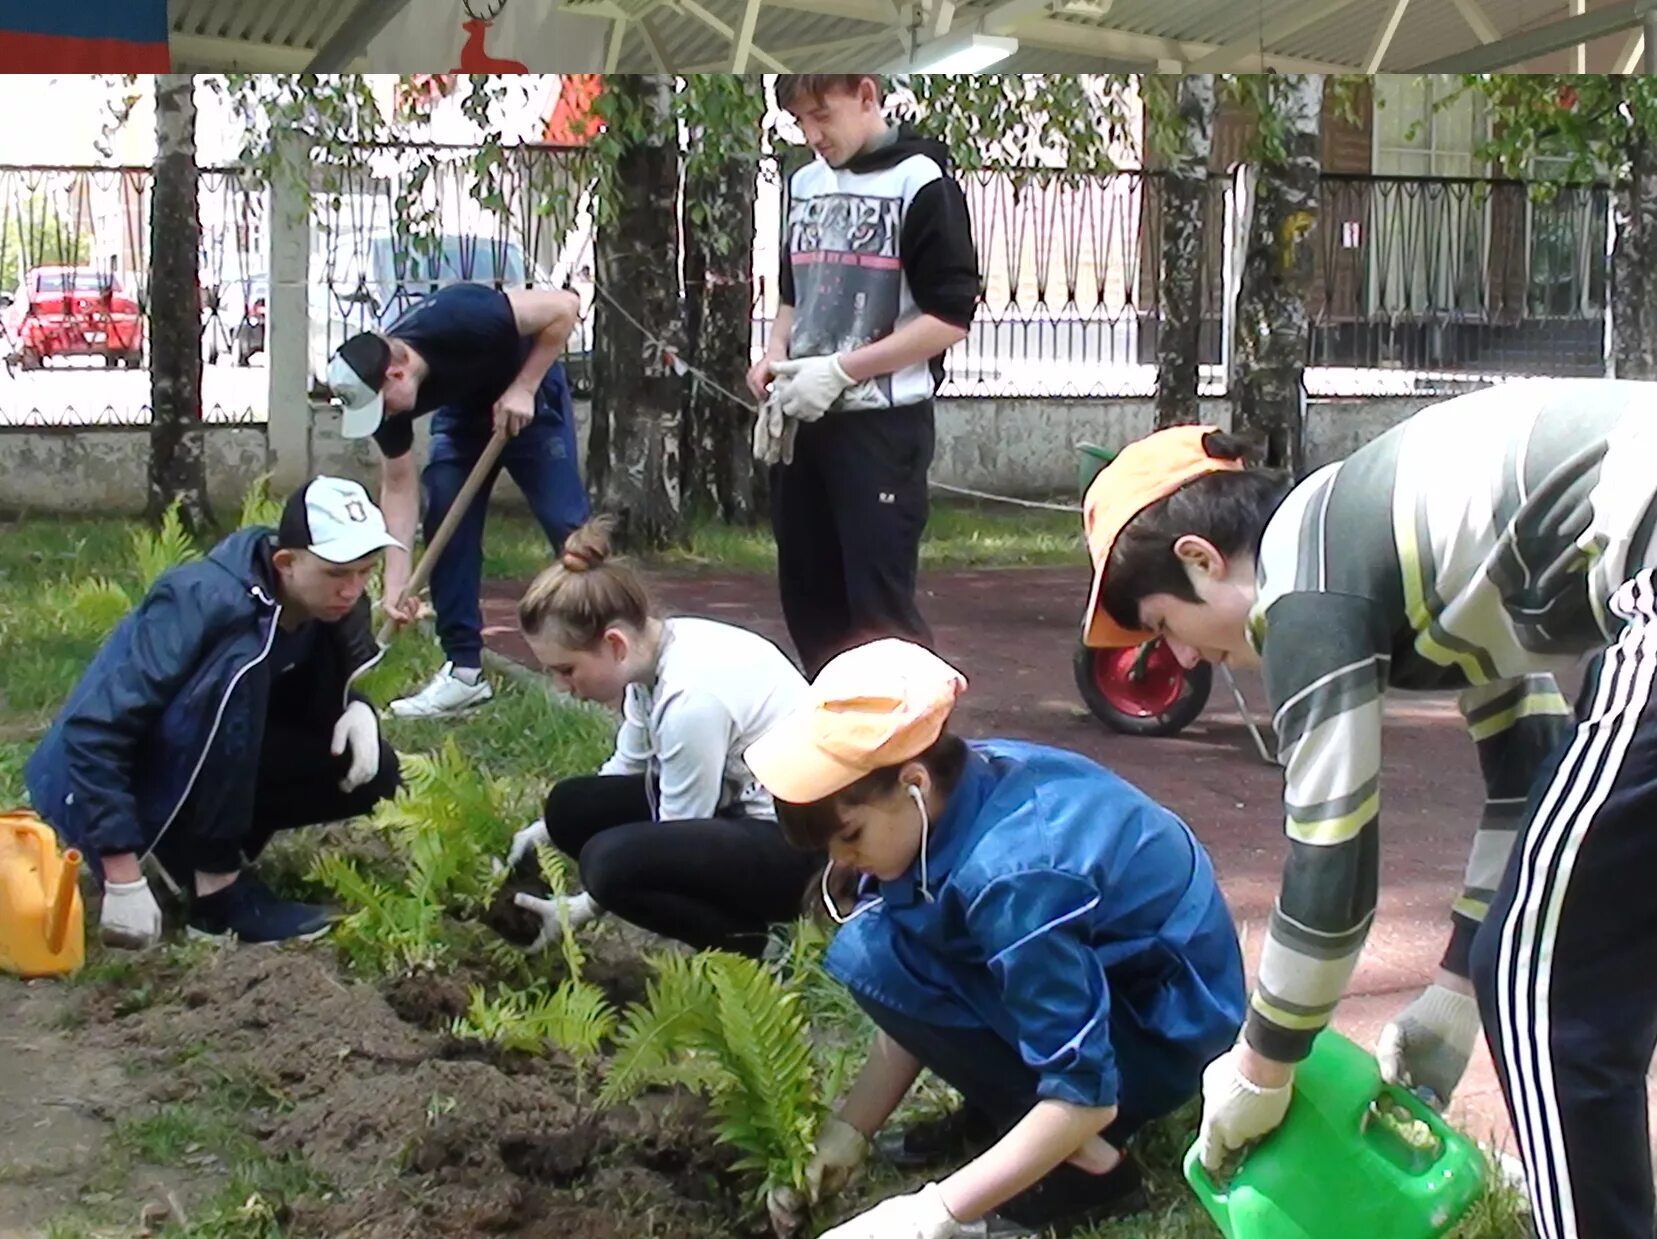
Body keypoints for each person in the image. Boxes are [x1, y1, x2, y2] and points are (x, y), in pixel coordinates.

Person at [1080, 383, 1657, 1239]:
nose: (1180, 656)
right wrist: (1455, 993)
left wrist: (1260, 1065)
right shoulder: (1391, 531)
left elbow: (1331, 870)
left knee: (1545, 982)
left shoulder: (1302, 585)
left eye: (1163, 625)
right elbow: (1525, 768)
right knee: (1542, 953)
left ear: (1201, 559)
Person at [743, 639, 1247, 1238]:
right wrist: (849, 1130)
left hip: (1165, 1033)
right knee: (879, 949)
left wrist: (933, 1214)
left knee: (877, 953)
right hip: (1116, 983)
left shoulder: (1014, 875)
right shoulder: (964, 781)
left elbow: (1086, 1092)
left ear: (914, 783)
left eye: (850, 835)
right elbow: (920, 973)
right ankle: (1007, 1116)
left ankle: (1094, 1169)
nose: (845, 861)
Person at [25, 477, 405, 947]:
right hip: (103, 785)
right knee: (240, 693)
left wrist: (356, 708)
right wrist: (121, 872)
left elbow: (297, 704)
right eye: (338, 573)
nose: (352, 589)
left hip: (198, 759)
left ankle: (195, 849)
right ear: (286, 563)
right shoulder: (199, 602)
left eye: (365, 572)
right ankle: (216, 897)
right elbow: (95, 730)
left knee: (374, 769)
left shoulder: (328, 605)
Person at [499, 518, 823, 958]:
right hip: (741, 806)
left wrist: (583, 905)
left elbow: (677, 835)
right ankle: (737, 923)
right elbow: (622, 773)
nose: (562, 686)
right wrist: (544, 833)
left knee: (609, 867)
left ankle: (756, 946)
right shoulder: (653, 653)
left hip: (804, 847)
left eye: (566, 670)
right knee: (569, 807)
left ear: (614, 644)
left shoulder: (690, 700)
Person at [749, 74, 980, 677]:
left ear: (868, 96)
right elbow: (794, 294)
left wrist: (842, 369)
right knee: (807, 597)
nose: (812, 134)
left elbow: (949, 319)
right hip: (803, 420)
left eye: (822, 116)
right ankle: (836, 752)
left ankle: (914, 755)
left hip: (882, 427)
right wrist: (775, 354)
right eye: (800, 122)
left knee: (880, 612)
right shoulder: (803, 183)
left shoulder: (923, 184)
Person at [326, 280, 591, 718]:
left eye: (382, 405)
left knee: (570, 531)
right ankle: (464, 672)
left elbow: (565, 306)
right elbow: (398, 486)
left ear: (397, 371)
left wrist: (523, 387)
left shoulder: (462, 316)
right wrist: (398, 579)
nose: (384, 416)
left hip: (531, 399)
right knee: (445, 515)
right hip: (465, 413)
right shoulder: (384, 399)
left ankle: (608, 654)